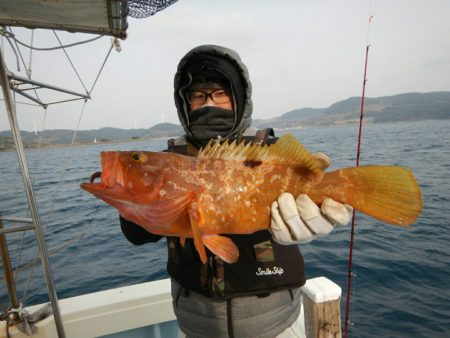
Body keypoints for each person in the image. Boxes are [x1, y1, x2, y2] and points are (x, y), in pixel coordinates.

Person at [120, 45, 351, 338]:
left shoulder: (266, 151)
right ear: (185, 104)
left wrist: (316, 220)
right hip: (196, 327)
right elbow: (138, 234)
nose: (209, 103)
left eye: (220, 94)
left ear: (239, 99)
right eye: (198, 96)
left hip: (276, 324)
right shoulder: (169, 163)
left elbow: (305, 187)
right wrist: (133, 200)